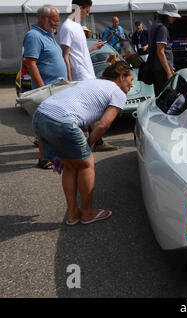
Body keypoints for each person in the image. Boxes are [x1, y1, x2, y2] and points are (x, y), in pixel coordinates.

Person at [32, 60, 133, 226]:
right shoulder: (118, 92)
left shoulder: (92, 82)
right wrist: (89, 144)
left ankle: (73, 214)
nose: (132, 84)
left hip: (40, 116)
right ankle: (87, 213)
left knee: (70, 166)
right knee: (86, 164)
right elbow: (103, 124)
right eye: (131, 80)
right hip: (62, 121)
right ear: (121, 77)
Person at [60, 1, 118, 152]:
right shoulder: (67, 27)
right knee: (91, 109)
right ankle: (92, 142)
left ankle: (94, 141)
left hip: (87, 73)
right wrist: (69, 79)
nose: (87, 14)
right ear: (80, 8)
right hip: (80, 75)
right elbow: (65, 55)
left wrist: (92, 47)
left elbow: (79, 51)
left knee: (92, 109)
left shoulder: (77, 26)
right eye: (87, 11)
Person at [23, 5, 68, 170]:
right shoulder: (33, 36)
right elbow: (30, 63)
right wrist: (43, 89)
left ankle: (53, 156)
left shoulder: (48, 35)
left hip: (56, 88)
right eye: (55, 20)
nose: (57, 23)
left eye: (58, 20)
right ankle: (44, 159)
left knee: (54, 124)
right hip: (47, 89)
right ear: (43, 18)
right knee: (46, 126)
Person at [148, 2, 181, 97]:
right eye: (173, 16)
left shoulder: (154, 25)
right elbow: (161, 52)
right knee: (167, 98)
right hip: (162, 69)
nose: (175, 19)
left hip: (156, 67)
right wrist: (168, 72)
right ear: (166, 15)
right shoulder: (162, 28)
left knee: (159, 97)